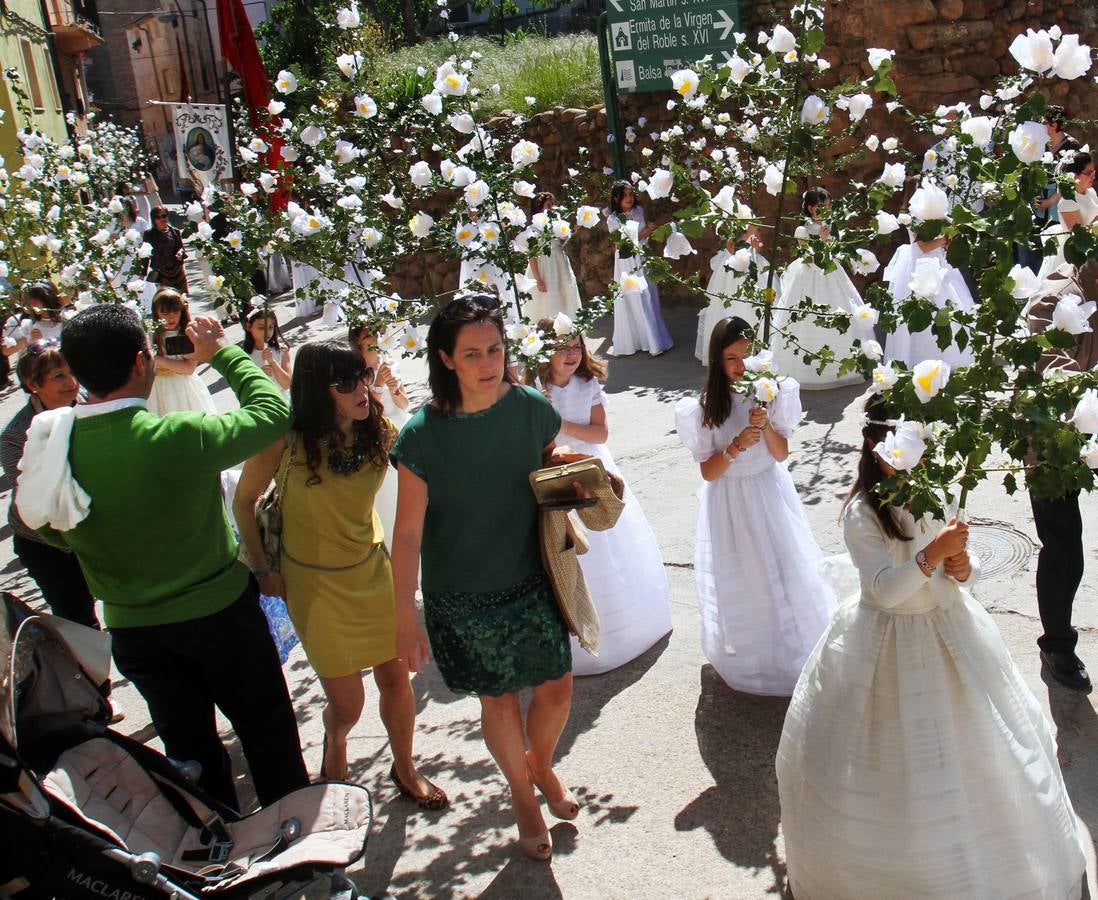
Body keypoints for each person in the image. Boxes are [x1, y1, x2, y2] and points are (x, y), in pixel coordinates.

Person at [775, 397, 1086, 898]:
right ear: (876, 449)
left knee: (974, 753)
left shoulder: (932, 492)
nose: (915, 459)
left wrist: (963, 567)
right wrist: (931, 554)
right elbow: (883, 591)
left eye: (920, 448)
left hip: (950, 629)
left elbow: (963, 567)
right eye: (905, 448)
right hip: (887, 640)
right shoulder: (863, 513)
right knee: (899, 762)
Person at [20, 304, 308, 810]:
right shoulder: (174, 436)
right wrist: (222, 352)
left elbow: (44, 524)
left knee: (190, 756)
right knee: (268, 732)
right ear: (140, 362)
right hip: (221, 617)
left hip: (136, 633)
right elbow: (272, 413)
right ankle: (301, 856)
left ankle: (215, 859)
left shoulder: (56, 447)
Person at [390, 294, 577, 861]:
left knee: (558, 688)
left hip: (532, 576)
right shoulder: (421, 436)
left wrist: (571, 467)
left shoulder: (529, 406)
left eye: (494, 349)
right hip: (463, 596)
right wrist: (404, 615)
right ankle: (523, 797)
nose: (487, 362)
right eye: (471, 353)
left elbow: (547, 463)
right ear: (445, 359)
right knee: (498, 702)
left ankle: (538, 764)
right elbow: (406, 537)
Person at [233, 340, 445, 805]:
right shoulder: (285, 441)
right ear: (316, 389)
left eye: (363, 376)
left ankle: (405, 769)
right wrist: (263, 568)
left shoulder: (379, 432)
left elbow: (430, 452)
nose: (362, 389)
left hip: (372, 573)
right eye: (347, 382)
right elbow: (242, 502)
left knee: (396, 682)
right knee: (349, 705)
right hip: (313, 586)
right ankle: (337, 742)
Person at [674, 316, 836, 695]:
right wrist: (735, 446)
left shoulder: (769, 393)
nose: (740, 366)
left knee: (782, 564)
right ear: (716, 360)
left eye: (746, 356)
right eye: (731, 357)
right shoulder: (702, 410)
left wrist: (766, 428)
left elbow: (781, 455)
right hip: (730, 501)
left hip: (768, 491)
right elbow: (709, 473)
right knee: (746, 571)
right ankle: (756, 649)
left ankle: (791, 640)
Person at [532, 321, 671, 675]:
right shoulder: (534, 388)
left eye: (576, 346)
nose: (571, 354)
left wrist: (558, 422)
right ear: (543, 353)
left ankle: (625, 630)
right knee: (571, 548)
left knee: (609, 538)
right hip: (557, 468)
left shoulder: (587, 383)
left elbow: (600, 431)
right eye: (562, 347)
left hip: (593, 465)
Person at [1, 340, 98, 629]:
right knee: (77, 618)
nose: (71, 383)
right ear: (33, 384)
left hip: (91, 527)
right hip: (47, 542)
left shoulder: (89, 405)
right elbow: (32, 502)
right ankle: (90, 674)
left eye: (72, 372)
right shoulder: (18, 435)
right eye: (58, 376)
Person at [769, 188, 863, 388]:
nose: (827, 209)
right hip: (808, 276)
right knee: (807, 318)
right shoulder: (802, 230)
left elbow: (834, 252)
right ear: (811, 208)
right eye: (823, 206)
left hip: (831, 274)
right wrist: (821, 240)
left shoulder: (831, 226)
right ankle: (807, 370)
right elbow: (808, 259)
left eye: (829, 205)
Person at [883, 228, 976, 368]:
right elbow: (923, 246)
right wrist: (944, 239)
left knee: (948, 308)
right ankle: (921, 358)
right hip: (921, 269)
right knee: (925, 311)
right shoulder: (915, 216)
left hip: (937, 263)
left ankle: (948, 354)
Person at [605, 181, 673, 357]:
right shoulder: (612, 219)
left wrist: (648, 230)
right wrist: (645, 232)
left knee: (649, 295)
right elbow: (621, 242)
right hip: (626, 261)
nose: (629, 198)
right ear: (616, 198)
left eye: (630, 194)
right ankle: (638, 340)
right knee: (634, 297)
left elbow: (641, 235)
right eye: (625, 195)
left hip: (642, 256)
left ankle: (654, 339)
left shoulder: (639, 211)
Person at [695, 227, 779, 364]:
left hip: (753, 266)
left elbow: (759, 245)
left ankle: (758, 349)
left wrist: (756, 244)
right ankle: (731, 350)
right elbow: (730, 247)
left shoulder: (748, 218)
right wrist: (748, 232)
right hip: (732, 268)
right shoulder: (727, 223)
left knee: (757, 308)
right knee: (733, 307)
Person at [148, 289, 217, 416]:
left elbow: (189, 368)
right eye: (165, 312)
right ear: (156, 313)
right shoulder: (150, 334)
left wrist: (159, 360)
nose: (171, 316)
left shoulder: (188, 333)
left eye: (176, 311)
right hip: (157, 389)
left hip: (183, 388)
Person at [524, 192, 582, 323]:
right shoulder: (532, 230)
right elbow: (532, 256)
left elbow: (563, 238)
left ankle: (567, 328)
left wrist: (573, 231)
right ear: (539, 209)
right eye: (549, 205)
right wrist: (538, 280)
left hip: (559, 264)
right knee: (547, 299)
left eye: (553, 205)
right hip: (545, 268)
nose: (553, 208)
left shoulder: (555, 225)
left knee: (564, 295)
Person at [243, 306, 293, 394]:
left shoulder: (282, 350)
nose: (267, 332)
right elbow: (244, 390)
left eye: (270, 327)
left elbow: (287, 385)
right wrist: (260, 376)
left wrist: (272, 362)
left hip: (284, 400)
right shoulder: (244, 356)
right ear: (249, 327)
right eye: (261, 328)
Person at [143, 206, 188, 292]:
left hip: (177, 271)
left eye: (164, 216)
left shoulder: (175, 231)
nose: (162, 219)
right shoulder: (149, 234)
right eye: (158, 217)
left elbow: (181, 248)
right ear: (153, 219)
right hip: (161, 273)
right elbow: (145, 255)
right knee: (166, 299)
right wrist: (142, 274)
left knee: (181, 300)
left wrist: (180, 253)